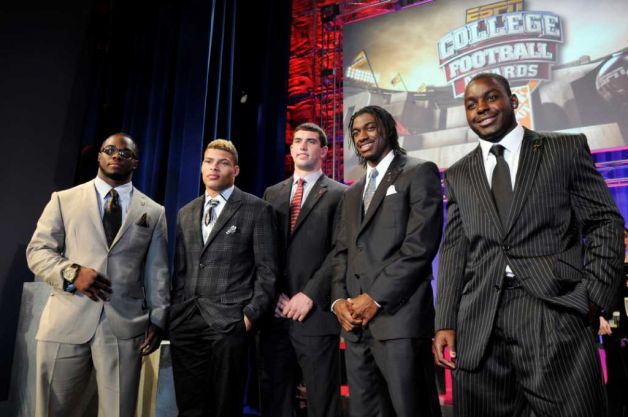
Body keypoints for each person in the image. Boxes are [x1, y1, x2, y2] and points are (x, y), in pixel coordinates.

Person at [433, 73, 625, 417]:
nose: (481, 108)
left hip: (553, 310)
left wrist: (594, 296)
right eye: (471, 104)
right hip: (480, 320)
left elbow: (604, 222)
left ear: (513, 101)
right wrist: (445, 320)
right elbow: (454, 251)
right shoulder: (459, 173)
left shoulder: (564, 149)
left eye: (491, 97)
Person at [26, 133, 170, 417]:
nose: (116, 155)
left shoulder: (153, 211)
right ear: (99, 156)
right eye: (110, 149)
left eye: (125, 153)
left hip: (124, 326)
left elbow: (158, 271)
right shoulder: (64, 200)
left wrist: (158, 319)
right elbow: (38, 251)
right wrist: (72, 273)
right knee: (52, 410)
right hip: (66, 320)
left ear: (135, 162)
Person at [331, 105, 443, 417]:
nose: (362, 136)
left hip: (400, 322)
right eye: (356, 132)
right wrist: (338, 301)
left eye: (369, 127)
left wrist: (375, 297)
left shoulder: (419, 171)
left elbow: (420, 247)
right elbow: (342, 252)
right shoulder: (352, 193)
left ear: (388, 129)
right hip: (355, 327)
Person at [169, 139, 278, 417]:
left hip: (230, 323)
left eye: (223, 162)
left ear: (236, 170)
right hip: (187, 321)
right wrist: (177, 312)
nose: (214, 167)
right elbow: (180, 270)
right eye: (208, 161)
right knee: (189, 407)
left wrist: (250, 316)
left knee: (225, 406)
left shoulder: (257, 209)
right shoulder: (186, 212)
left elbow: (267, 271)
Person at [259, 123, 345, 417]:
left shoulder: (340, 194)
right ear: (291, 148)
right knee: (275, 401)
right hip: (275, 314)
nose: (303, 146)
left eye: (311, 141)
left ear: (324, 151)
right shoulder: (272, 193)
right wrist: (272, 295)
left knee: (322, 402)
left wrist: (309, 294)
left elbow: (340, 251)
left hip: (315, 314)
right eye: (297, 141)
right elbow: (264, 251)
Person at [599, 227, 628, 417]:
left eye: (626, 237)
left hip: (624, 320)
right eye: (621, 237)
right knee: (617, 376)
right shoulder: (607, 265)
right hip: (614, 322)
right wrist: (604, 320)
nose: (623, 241)